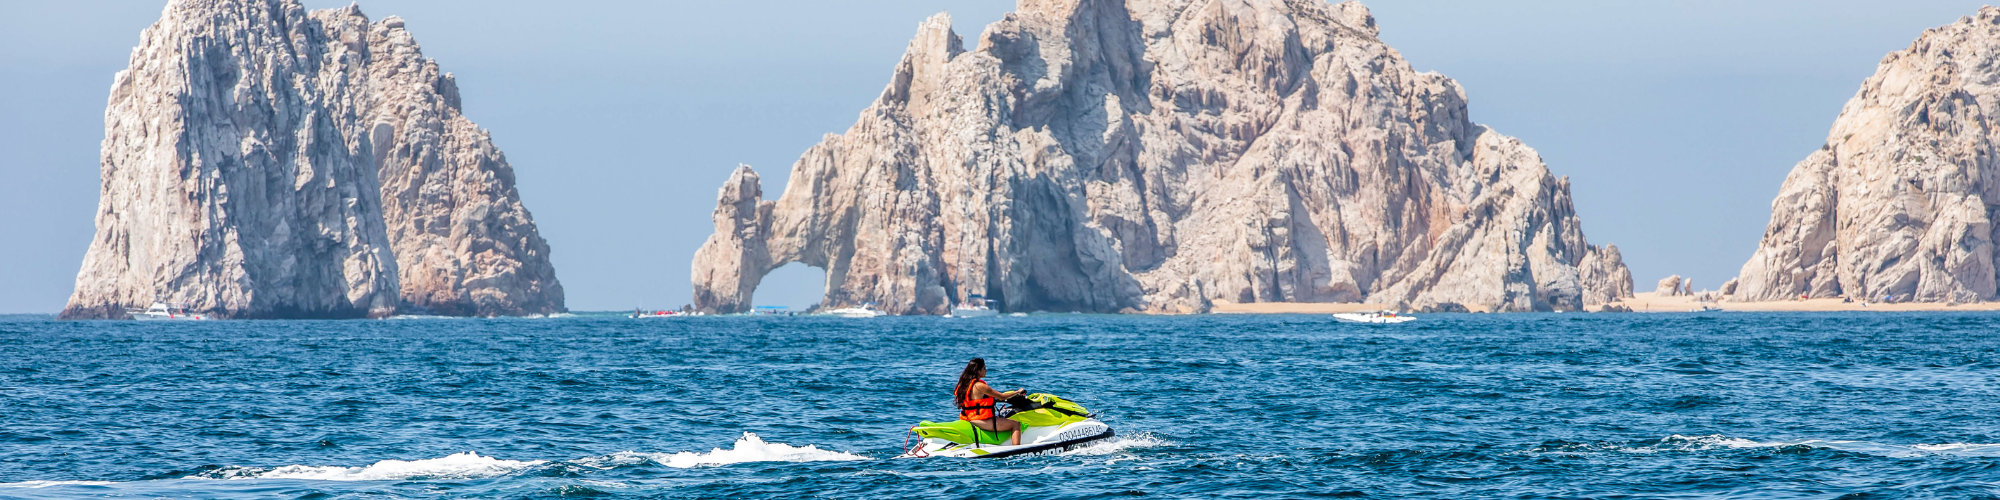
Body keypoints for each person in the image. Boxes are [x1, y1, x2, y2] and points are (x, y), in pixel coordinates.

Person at [954, 358, 1026, 446]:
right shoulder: (980, 386)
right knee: (1016, 424)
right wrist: (1017, 392)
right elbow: (1002, 396)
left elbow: (977, 401)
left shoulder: (963, 385)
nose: (986, 371)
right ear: (978, 370)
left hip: (967, 417)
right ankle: (1016, 450)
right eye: (984, 368)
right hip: (980, 420)